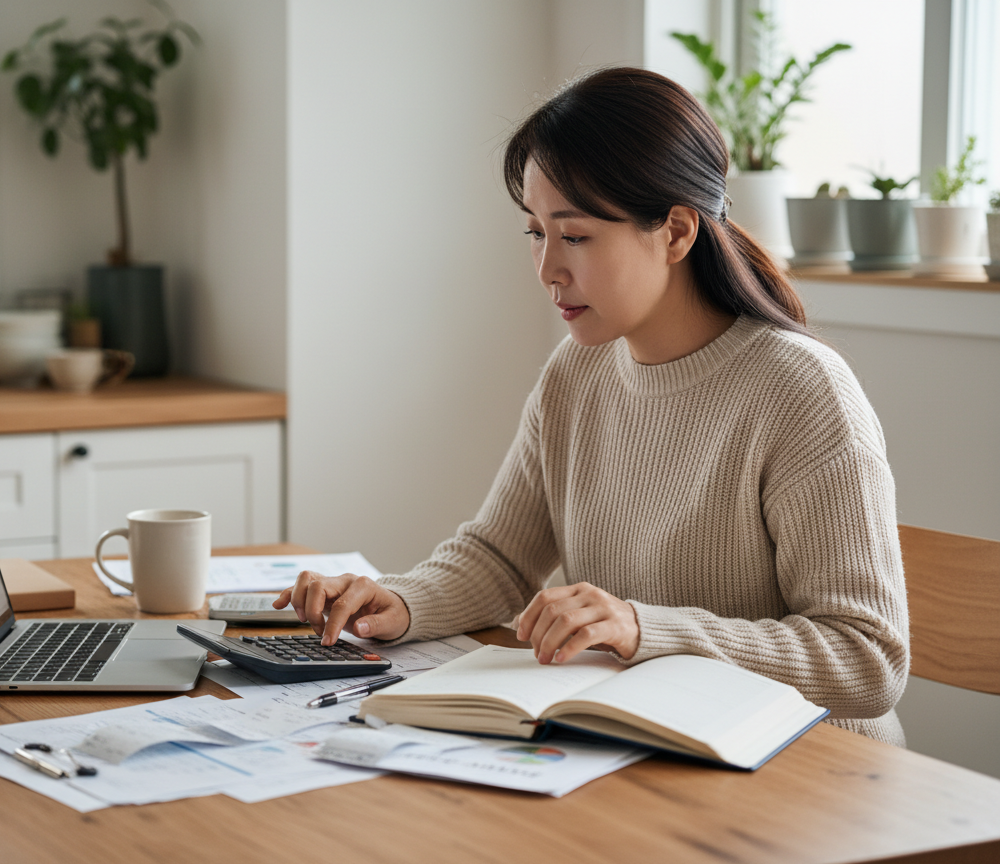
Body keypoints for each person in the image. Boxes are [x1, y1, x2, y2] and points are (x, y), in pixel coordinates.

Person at [274, 67, 909, 745]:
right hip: (648, 746)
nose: (548, 268)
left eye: (574, 236)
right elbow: (500, 558)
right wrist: (400, 602)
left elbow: (866, 657)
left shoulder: (801, 391)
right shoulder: (578, 371)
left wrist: (642, 629)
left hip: (807, 771)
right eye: (536, 234)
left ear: (676, 232)